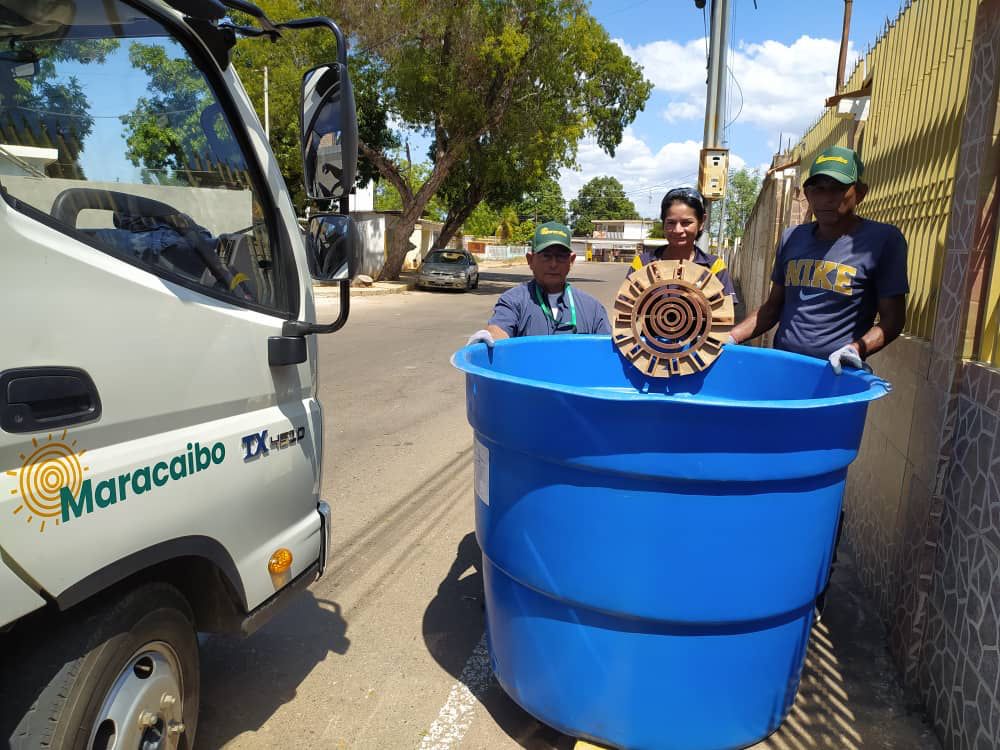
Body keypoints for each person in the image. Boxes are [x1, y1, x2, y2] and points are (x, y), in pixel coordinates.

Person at [728, 146, 908, 373]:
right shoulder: (792, 237)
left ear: (860, 192)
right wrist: (731, 338)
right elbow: (772, 307)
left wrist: (855, 350)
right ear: (807, 194)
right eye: (818, 189)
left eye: (837, 190)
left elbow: (893, 319)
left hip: (835, 376)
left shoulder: (882, 240)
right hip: (783, 369)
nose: (826, 199)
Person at [467, 221, 611, 345]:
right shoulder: (514, 301)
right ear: (530, 260)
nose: (553, 264)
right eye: (546, 256)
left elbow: (608, 350)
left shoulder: (593, 309)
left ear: (571, 261)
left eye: (561, 257)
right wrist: (488, 339)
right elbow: (499, 330)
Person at [629, 186, 737, 301]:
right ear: (663, 223)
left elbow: (726, 314)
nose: (677, 230)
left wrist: (702, 304)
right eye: (671, 222)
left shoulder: (714, 267)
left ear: (701, 222)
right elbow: (624, 308)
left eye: (686, 222)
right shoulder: (642, 264)